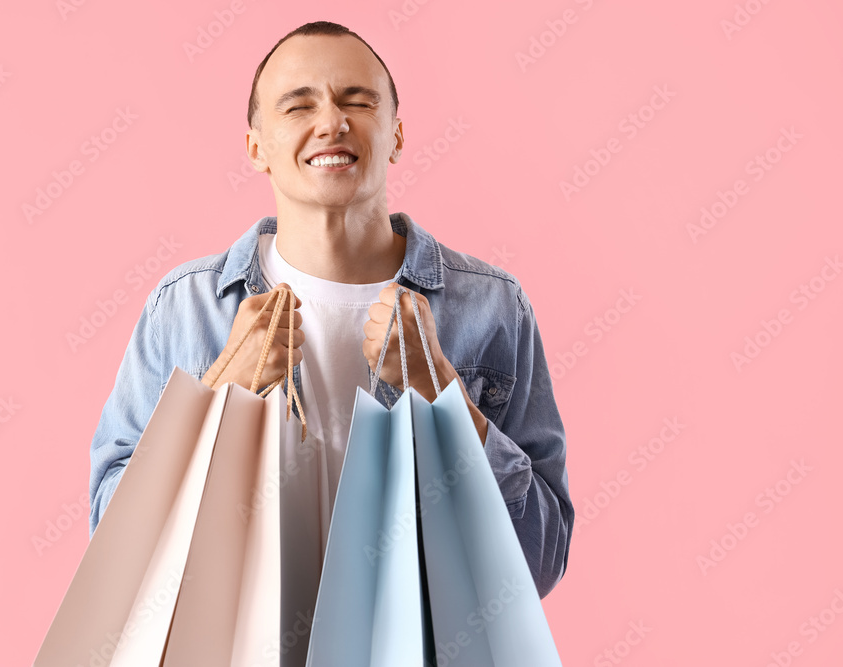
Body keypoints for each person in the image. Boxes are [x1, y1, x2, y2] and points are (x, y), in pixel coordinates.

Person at [88, 20, 574, 599]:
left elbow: (541, 560)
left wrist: (445, 399)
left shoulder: (494, 307)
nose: (331, 123)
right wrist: (217, 398)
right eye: (298, 106)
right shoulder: (184, 308)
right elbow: (115, 555)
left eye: (357, 100)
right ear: (256, 147)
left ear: (396, 134)